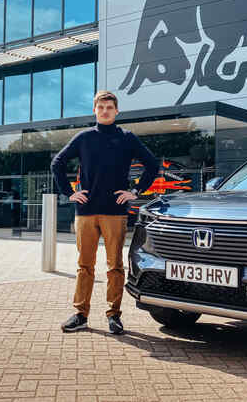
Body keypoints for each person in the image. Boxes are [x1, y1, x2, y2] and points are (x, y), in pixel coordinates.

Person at [50, 90, 159, 335]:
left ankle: (114, 316)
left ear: (116, 111)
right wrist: (69, 192)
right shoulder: (84, 137)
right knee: (84, 265)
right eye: (101, 108)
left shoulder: (127, 138)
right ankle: (80, 314)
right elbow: (57, 162)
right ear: (95, 111)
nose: (105, 111)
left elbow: (152, 164)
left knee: (115, 266)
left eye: (109, 107)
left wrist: (136, 190)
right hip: (86, 211)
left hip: (114, 211)